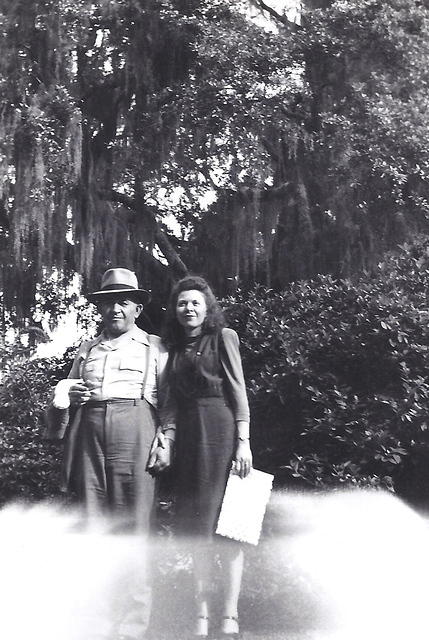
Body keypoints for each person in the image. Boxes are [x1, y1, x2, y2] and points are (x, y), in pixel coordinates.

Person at [45, 267, 173, 640]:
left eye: (123, 301)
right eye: (107, 302)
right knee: (94, 525)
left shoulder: (156, 347)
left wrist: (166, 439)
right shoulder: (87, 350)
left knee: (136, 527)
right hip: (89, 434)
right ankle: (98, 622)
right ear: (99, 308)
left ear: (137, 308)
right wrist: (66, 396)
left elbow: (171, 403)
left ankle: (133, 627)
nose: (115, 308)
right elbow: (64, 399)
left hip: (136, 429)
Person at [161, 275, 252, 639]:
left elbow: (238, 390)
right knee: (197, 529)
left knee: (232, 528)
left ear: (207, 307)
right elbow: (168, 401)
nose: (189, 309)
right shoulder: (173, 348)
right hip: (189, 441)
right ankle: (201, 614)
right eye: (183, 303)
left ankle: (229, 615)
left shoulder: (224, 338)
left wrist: (244, 441)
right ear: (176, 309)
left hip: (223, 433)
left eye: (196, 302)